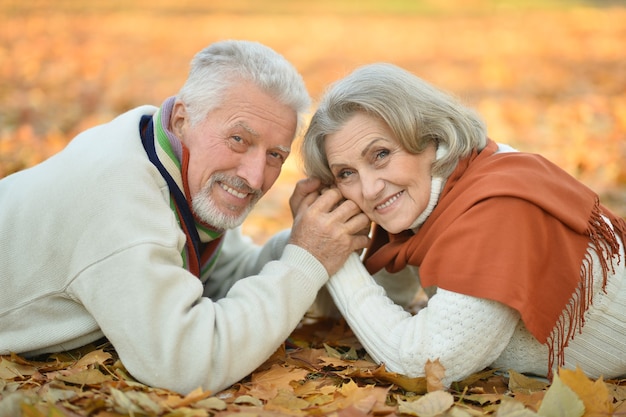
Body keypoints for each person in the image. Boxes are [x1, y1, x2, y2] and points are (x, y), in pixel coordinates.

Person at [0, 40, 370, 395]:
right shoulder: (120, 199)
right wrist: (306, 259)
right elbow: (186, 364)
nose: (255, 177)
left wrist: (304, 240)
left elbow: (223, 276)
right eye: (239, 139)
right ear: (181, 119)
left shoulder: (160, 150)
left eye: (275, 155)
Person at [302, 62, 626, 387]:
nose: (370, 188)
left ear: (430, 136)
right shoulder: (424, 199)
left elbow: (426, 366)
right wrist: (321, 237)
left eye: (381, 154)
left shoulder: (493, 209)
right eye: (346, 173)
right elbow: (365, 307)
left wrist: (337, 255)